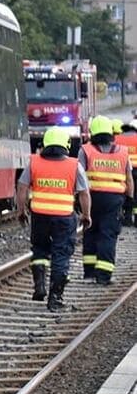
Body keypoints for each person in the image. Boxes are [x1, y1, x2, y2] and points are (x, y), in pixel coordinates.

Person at [16, 126, 92, 311]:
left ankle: (39, 286)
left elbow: (22, 187)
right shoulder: (74, 166)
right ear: (66, 145)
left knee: (40, 249)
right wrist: (86, 215)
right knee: (61, 255)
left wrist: (21, 210)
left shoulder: (34, 163)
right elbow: (83, 193)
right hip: (64, 219)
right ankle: (55, 298)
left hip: (40, 217)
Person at [80, 115, 131, 284]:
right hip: (114, 200)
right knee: (107, 235)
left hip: (91, 198)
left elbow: (78, 177)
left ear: (92, 132)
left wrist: (77, 200)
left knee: (90, 231)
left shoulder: (85, 150)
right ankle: (103, 276)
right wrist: (130, 201)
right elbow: (129, 178)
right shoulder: (123, 152)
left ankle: (89, 272)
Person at [115, 120, 137, 227]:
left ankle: (126, 217)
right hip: (135, 171)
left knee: (126, 194)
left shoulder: (116, 139)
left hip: (122, 171)